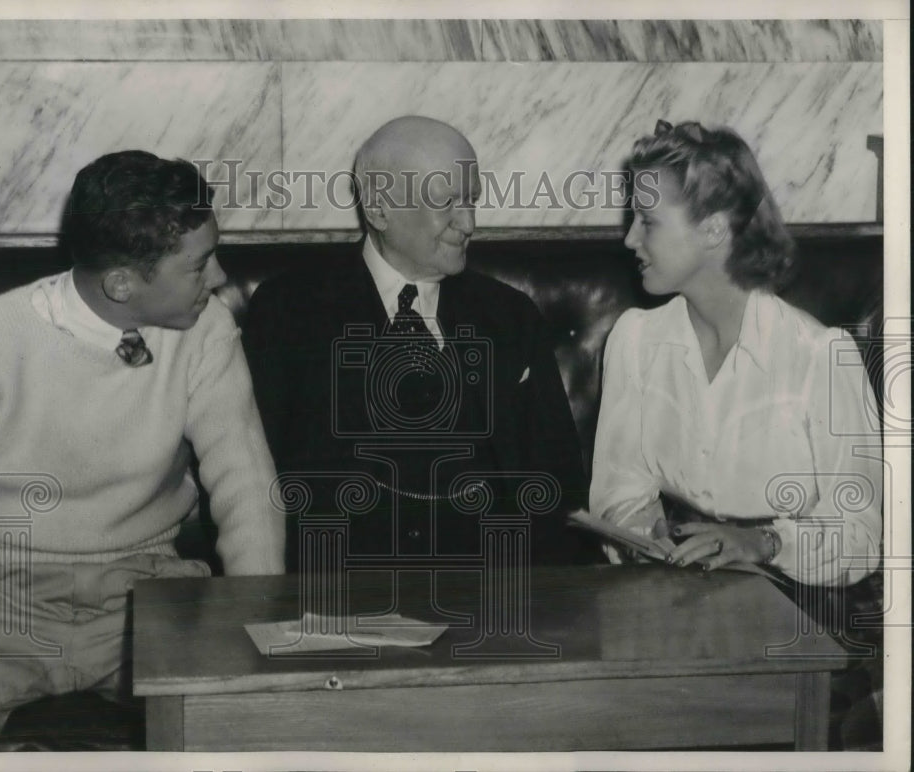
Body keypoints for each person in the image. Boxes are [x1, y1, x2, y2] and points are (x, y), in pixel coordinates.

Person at [0, 150, 284, 751]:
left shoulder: (207, 331)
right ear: (122, 284)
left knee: (246, 728)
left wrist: (254, 620)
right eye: (199, 264)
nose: (220, 277)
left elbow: (246, 480)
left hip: (146, 596)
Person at [245, 115, 595, 572]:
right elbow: (253, 487)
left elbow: (559, 487)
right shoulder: (289, 312)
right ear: (379, 209)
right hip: (338, 602)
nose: (468, 223)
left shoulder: (511, 317)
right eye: (446, 202)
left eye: (471, 200)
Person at [590, 120, 882, 586]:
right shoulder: (635, 341)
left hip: (794, 609)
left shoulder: (821, 358)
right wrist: (649, 537)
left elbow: (861, 537)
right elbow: (619, 491)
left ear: (713, 230)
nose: (630, 240)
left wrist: (764, 543)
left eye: (647, 222)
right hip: (674, 597)